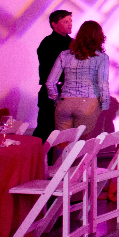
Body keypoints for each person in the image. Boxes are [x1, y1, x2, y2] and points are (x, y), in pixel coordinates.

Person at [45, 20, 110, 136]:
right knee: (81, 146)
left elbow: (50, 82)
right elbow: (102, 84)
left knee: (61, 144)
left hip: (65, 103)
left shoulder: (64, 55)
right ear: (99, 37)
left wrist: (57, 99)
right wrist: (104, 104)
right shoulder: (102, 58)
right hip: (88, 104)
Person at [35, 10, 73, 141]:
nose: (70, 24)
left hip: (69, 95)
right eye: (65, 22)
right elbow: (49, 72)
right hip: (51, 95)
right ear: (54, 24)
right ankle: (39, 160)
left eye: (70, 21)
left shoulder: (74, 44)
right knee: (46, 131)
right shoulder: (47, 44)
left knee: (65, 134)